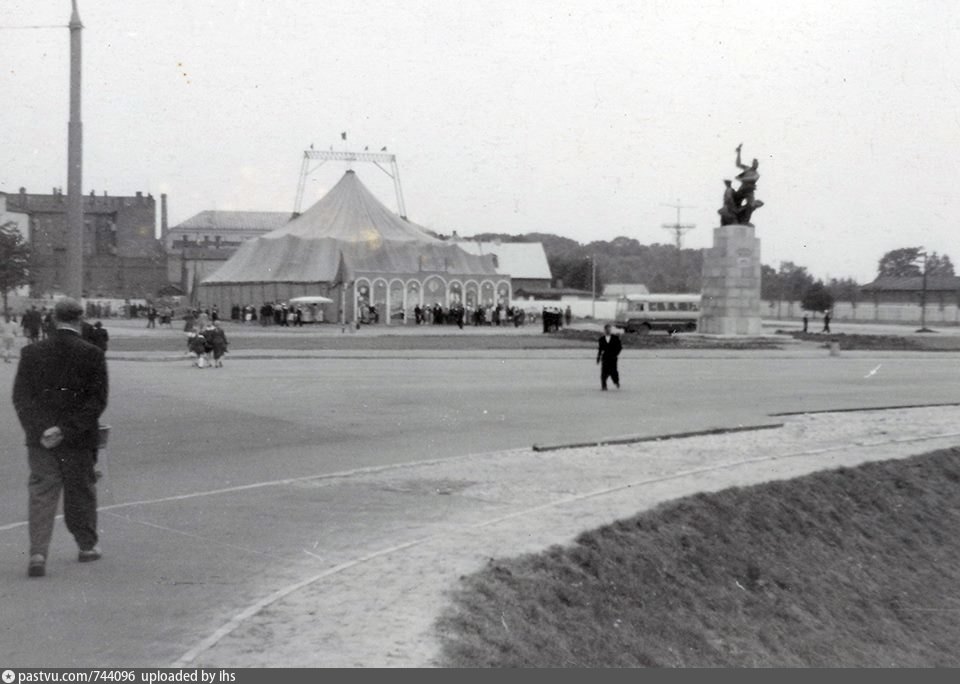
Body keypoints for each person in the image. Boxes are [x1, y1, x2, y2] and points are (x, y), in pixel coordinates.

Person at [12, 297, 108, 578]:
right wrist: (66, 429)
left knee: (42, 493)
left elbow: (21, 398)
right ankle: (86, 546)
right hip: (78, 439)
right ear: (80, 319)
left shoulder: (31, 352)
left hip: (41, 439)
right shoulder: (93, 354)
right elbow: (97, 401)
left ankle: (38, 553)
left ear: (54, 319)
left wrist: (43, 428)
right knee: (81, 491)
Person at [596, 323, 622, 391]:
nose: (608, 331)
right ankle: (604, 386)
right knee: (604, 372)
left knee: (613, 372)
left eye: (609, 329)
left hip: (613, 358)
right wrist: (598, 358)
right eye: (607, 329)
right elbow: (600, 349)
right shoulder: (601, 339)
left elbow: (619, 347)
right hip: (605, 358)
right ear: (604, 330)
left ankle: (616, 382)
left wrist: (615, 354)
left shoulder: (615, 338)